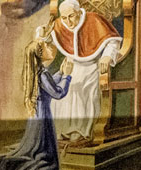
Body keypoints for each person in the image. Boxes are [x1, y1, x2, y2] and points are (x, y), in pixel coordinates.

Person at [0, 26, 73, 170]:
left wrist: (61, 74)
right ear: (41, 54)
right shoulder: (42, 74)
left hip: (37, 113)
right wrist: (67, 76)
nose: (50, 48)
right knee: (42, 149)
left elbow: (49, 85)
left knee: (35, 144)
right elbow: (57, 92)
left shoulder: (38, 72)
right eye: (46, 47)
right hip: (43, 115)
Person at [48, 0, 121, 143]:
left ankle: (81, 132)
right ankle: (62, 132)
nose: (68, 21)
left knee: (84, 91)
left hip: (92, 67)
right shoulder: (60, 24)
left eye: (71, 16)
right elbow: (46, 37)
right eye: (64, 18)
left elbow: (113, 41)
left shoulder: (94, 19)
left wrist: (106, 57)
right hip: (71, 67)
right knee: (63, 90)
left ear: (78, 12)